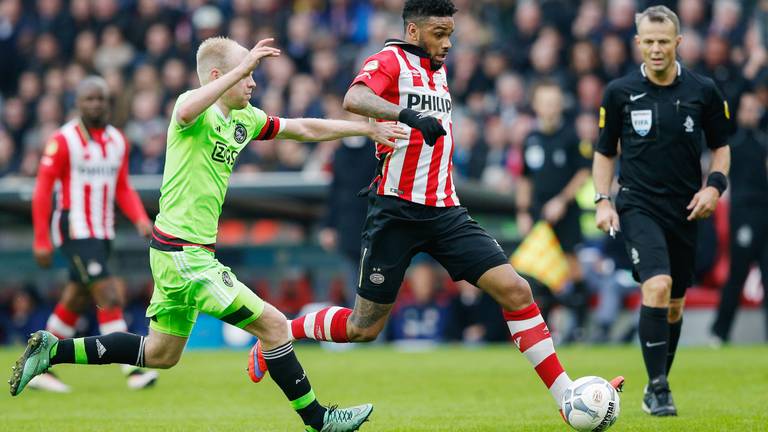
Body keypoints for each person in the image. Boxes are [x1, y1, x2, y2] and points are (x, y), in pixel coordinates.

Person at [10, 36, 408, 432]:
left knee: (161, 353)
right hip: (185, 254)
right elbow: (184, 109)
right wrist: (242, 66)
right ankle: (318, 420)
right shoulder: (194, 110)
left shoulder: (245, 118)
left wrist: (363, 129)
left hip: (176, 253)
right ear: (220, 76)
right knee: (274, 325)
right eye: (248, 75)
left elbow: (301, 126)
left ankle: (51, 350)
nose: (253, 83)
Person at [248, 0, 623, 420]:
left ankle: (565, 396)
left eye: (451, 33)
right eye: (440, 33)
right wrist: (408, 114)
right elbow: (355, 97)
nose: (448, 42)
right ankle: (285, 330)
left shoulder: (437, 68)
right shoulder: (389, 58)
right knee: (363, 328)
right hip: (396, 212)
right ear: (414, 31)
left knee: (517, 290)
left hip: (446, 211)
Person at [593, 6, 731, 417]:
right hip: (638, 203)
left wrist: (714, 187)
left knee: (674, 304)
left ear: (678, 43)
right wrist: (604, 200)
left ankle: (657, 386)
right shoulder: (619, 92)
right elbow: (604, 153)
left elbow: (722, 149)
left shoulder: (703, 90)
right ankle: (658, 387)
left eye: (663, 41)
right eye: (648, 41)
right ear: (638, 43)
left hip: (688, 209)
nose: (656, 49)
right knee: (656, 286)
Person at [30, 75, 158, 392]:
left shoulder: (118, 141)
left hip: (102, 231)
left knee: (76, 298)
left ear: (108, 103)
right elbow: (42, 191)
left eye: (101, 99)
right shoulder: (63, 140)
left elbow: (122, 187)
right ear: (78, 102)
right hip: (73, 229)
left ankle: (38, 365)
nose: (96, 104)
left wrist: (140, 218)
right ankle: (132, 369)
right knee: (109, 294)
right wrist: (41, 238)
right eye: (89, 99)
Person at [516, 82, 591, 343]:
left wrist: (562, 200)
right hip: (539, 215)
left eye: (553, 102)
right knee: (539, 272)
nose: (549, 108)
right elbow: (525, 177)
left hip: (566, 214)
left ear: (560, 105)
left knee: (572, 267)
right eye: (544, 102)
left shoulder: (571, 137)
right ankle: (545, 331)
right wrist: (523, 211)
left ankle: (581, 327)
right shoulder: (530, 139)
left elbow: (583, 172)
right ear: (536, 105)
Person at [711, 92, 768, 344]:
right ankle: (719, 333)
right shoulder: (730, 146)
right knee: (737, 274)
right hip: (742, 215)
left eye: (754, 109)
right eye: (746, 109)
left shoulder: (764, 144)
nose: (750, 114)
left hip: (765, 214)